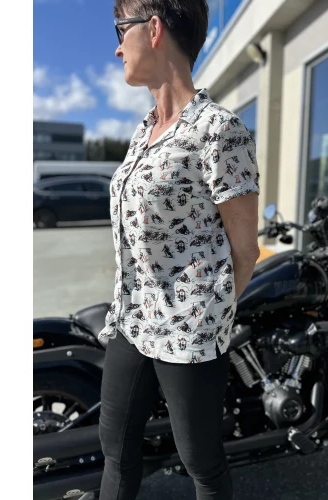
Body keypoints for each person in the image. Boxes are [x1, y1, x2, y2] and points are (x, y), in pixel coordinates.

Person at [97, 1, 260, 499]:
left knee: (200, 462)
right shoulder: (143, 132)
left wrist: (204, 315)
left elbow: (245, 251)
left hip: (189, 331)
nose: (117, 47)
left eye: (120, 30)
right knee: (116, 449)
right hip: (131, 320)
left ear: (154, 29)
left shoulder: (218, 130)